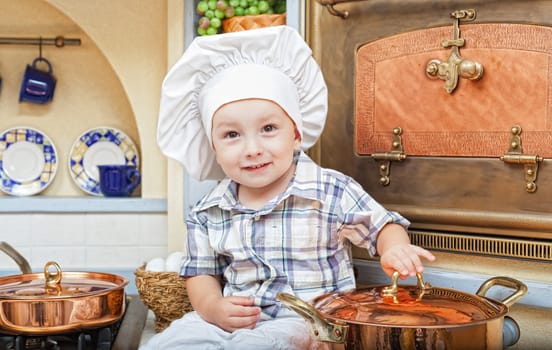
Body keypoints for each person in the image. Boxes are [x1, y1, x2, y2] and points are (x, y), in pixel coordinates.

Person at [142, 25, 435, 350]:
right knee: (166, 342)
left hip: (311, 320)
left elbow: (383, 226)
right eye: (231, 135)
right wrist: (213, 308)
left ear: (296, 133)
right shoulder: (208, 211)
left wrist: (394, 248)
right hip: (239, 318)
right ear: (212, 146)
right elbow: (201, 274)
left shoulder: (329, 190)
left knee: (272, 343)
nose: (252, 148)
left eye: (268, 128)